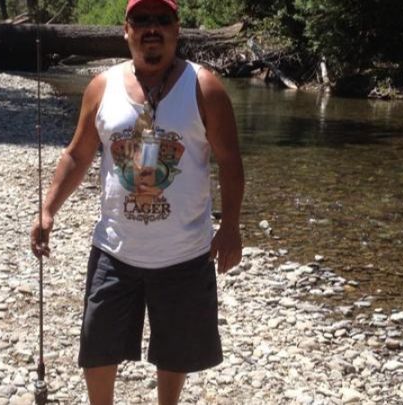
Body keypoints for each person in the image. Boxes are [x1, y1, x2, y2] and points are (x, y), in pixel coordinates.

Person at [30, 0, 244, 403]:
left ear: (176, 29)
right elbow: (77, 155)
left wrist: (230, 226)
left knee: (175, 351)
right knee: (98, 347)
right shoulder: (101, 87)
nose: (152, 28)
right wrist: (47, 209)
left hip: (184, 253)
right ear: (126, 29)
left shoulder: (205, 88)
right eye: (141, 20)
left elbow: (230, 162)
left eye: (162, 20)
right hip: (115, 250)